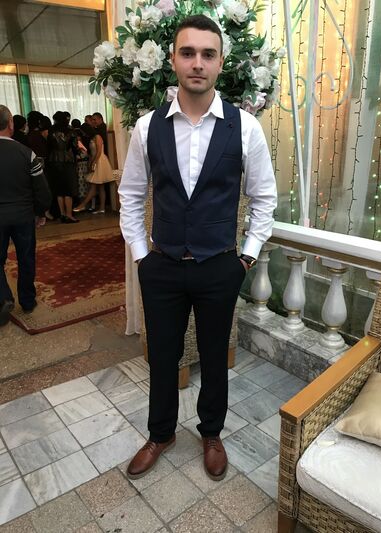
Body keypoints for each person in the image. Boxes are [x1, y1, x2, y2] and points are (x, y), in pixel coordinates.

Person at [119, 15, 277, 481]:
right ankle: (161, 433)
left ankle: (212, 433)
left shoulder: (244, 127)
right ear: (172, 60)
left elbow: (264, 198)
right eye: (188, 53)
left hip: (219, 266)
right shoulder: (147, 127)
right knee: (163, 355)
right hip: (163, 265)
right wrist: (141, 257)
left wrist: (246, 257)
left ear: (221, 63)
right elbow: (131, 194)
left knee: (213, 355)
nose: (197, 63)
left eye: (208, 54)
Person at [0, 105, 51, 326]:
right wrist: (40, 212)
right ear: (10, 123)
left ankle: (4, 298)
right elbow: (41, 188)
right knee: (26, 258)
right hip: (23, 215)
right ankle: (28, 301)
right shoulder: (26, 152)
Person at [73, 123, 114, 214]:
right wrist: (90, 162)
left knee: (93, 186)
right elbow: (91, 153)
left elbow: (99, 151)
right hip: (94, 160)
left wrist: (94, 163)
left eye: (84, 132)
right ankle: (102, 208)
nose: (83, 134)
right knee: (100, 187)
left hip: (100, 161)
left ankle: (82, 205)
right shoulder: (91, 138)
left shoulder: (97, 137)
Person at [47, 111, 79, 223]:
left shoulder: (51, 131)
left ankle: (62, 214)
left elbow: (49, 146)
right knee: (69, 189)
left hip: (54, 161)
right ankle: (69, 215)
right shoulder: (71, 131)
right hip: (67, 161)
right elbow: (75, 147)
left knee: (59, 190)